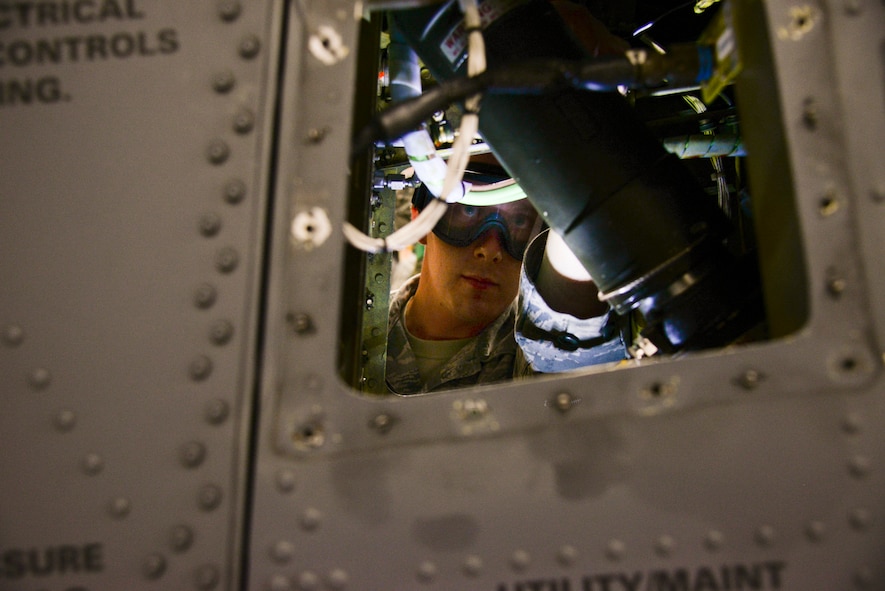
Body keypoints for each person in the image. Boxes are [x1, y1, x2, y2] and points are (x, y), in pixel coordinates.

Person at [386, 159, 632, 394]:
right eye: (469, 210)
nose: (491, 250)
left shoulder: (538, 352)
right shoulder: (356, 333)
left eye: (520, 221)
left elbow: (576, 373)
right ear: (420, 219)